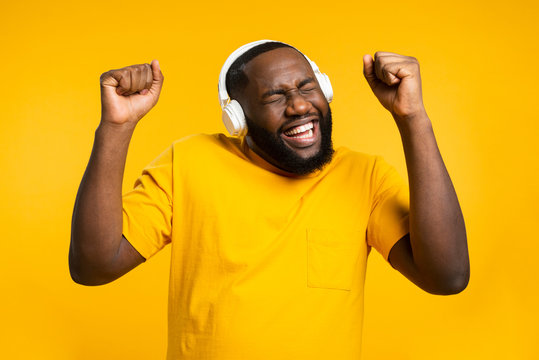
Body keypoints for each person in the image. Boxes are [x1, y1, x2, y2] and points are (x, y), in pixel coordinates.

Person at [70, 40, 470, 359]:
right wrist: (115, 127)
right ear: (237, 119)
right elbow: (93, 265)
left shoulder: (365, 176)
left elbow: (447, 276)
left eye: (307, 87)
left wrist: (412, 117)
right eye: (274, 97)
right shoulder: (188, 163)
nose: (299, 105)